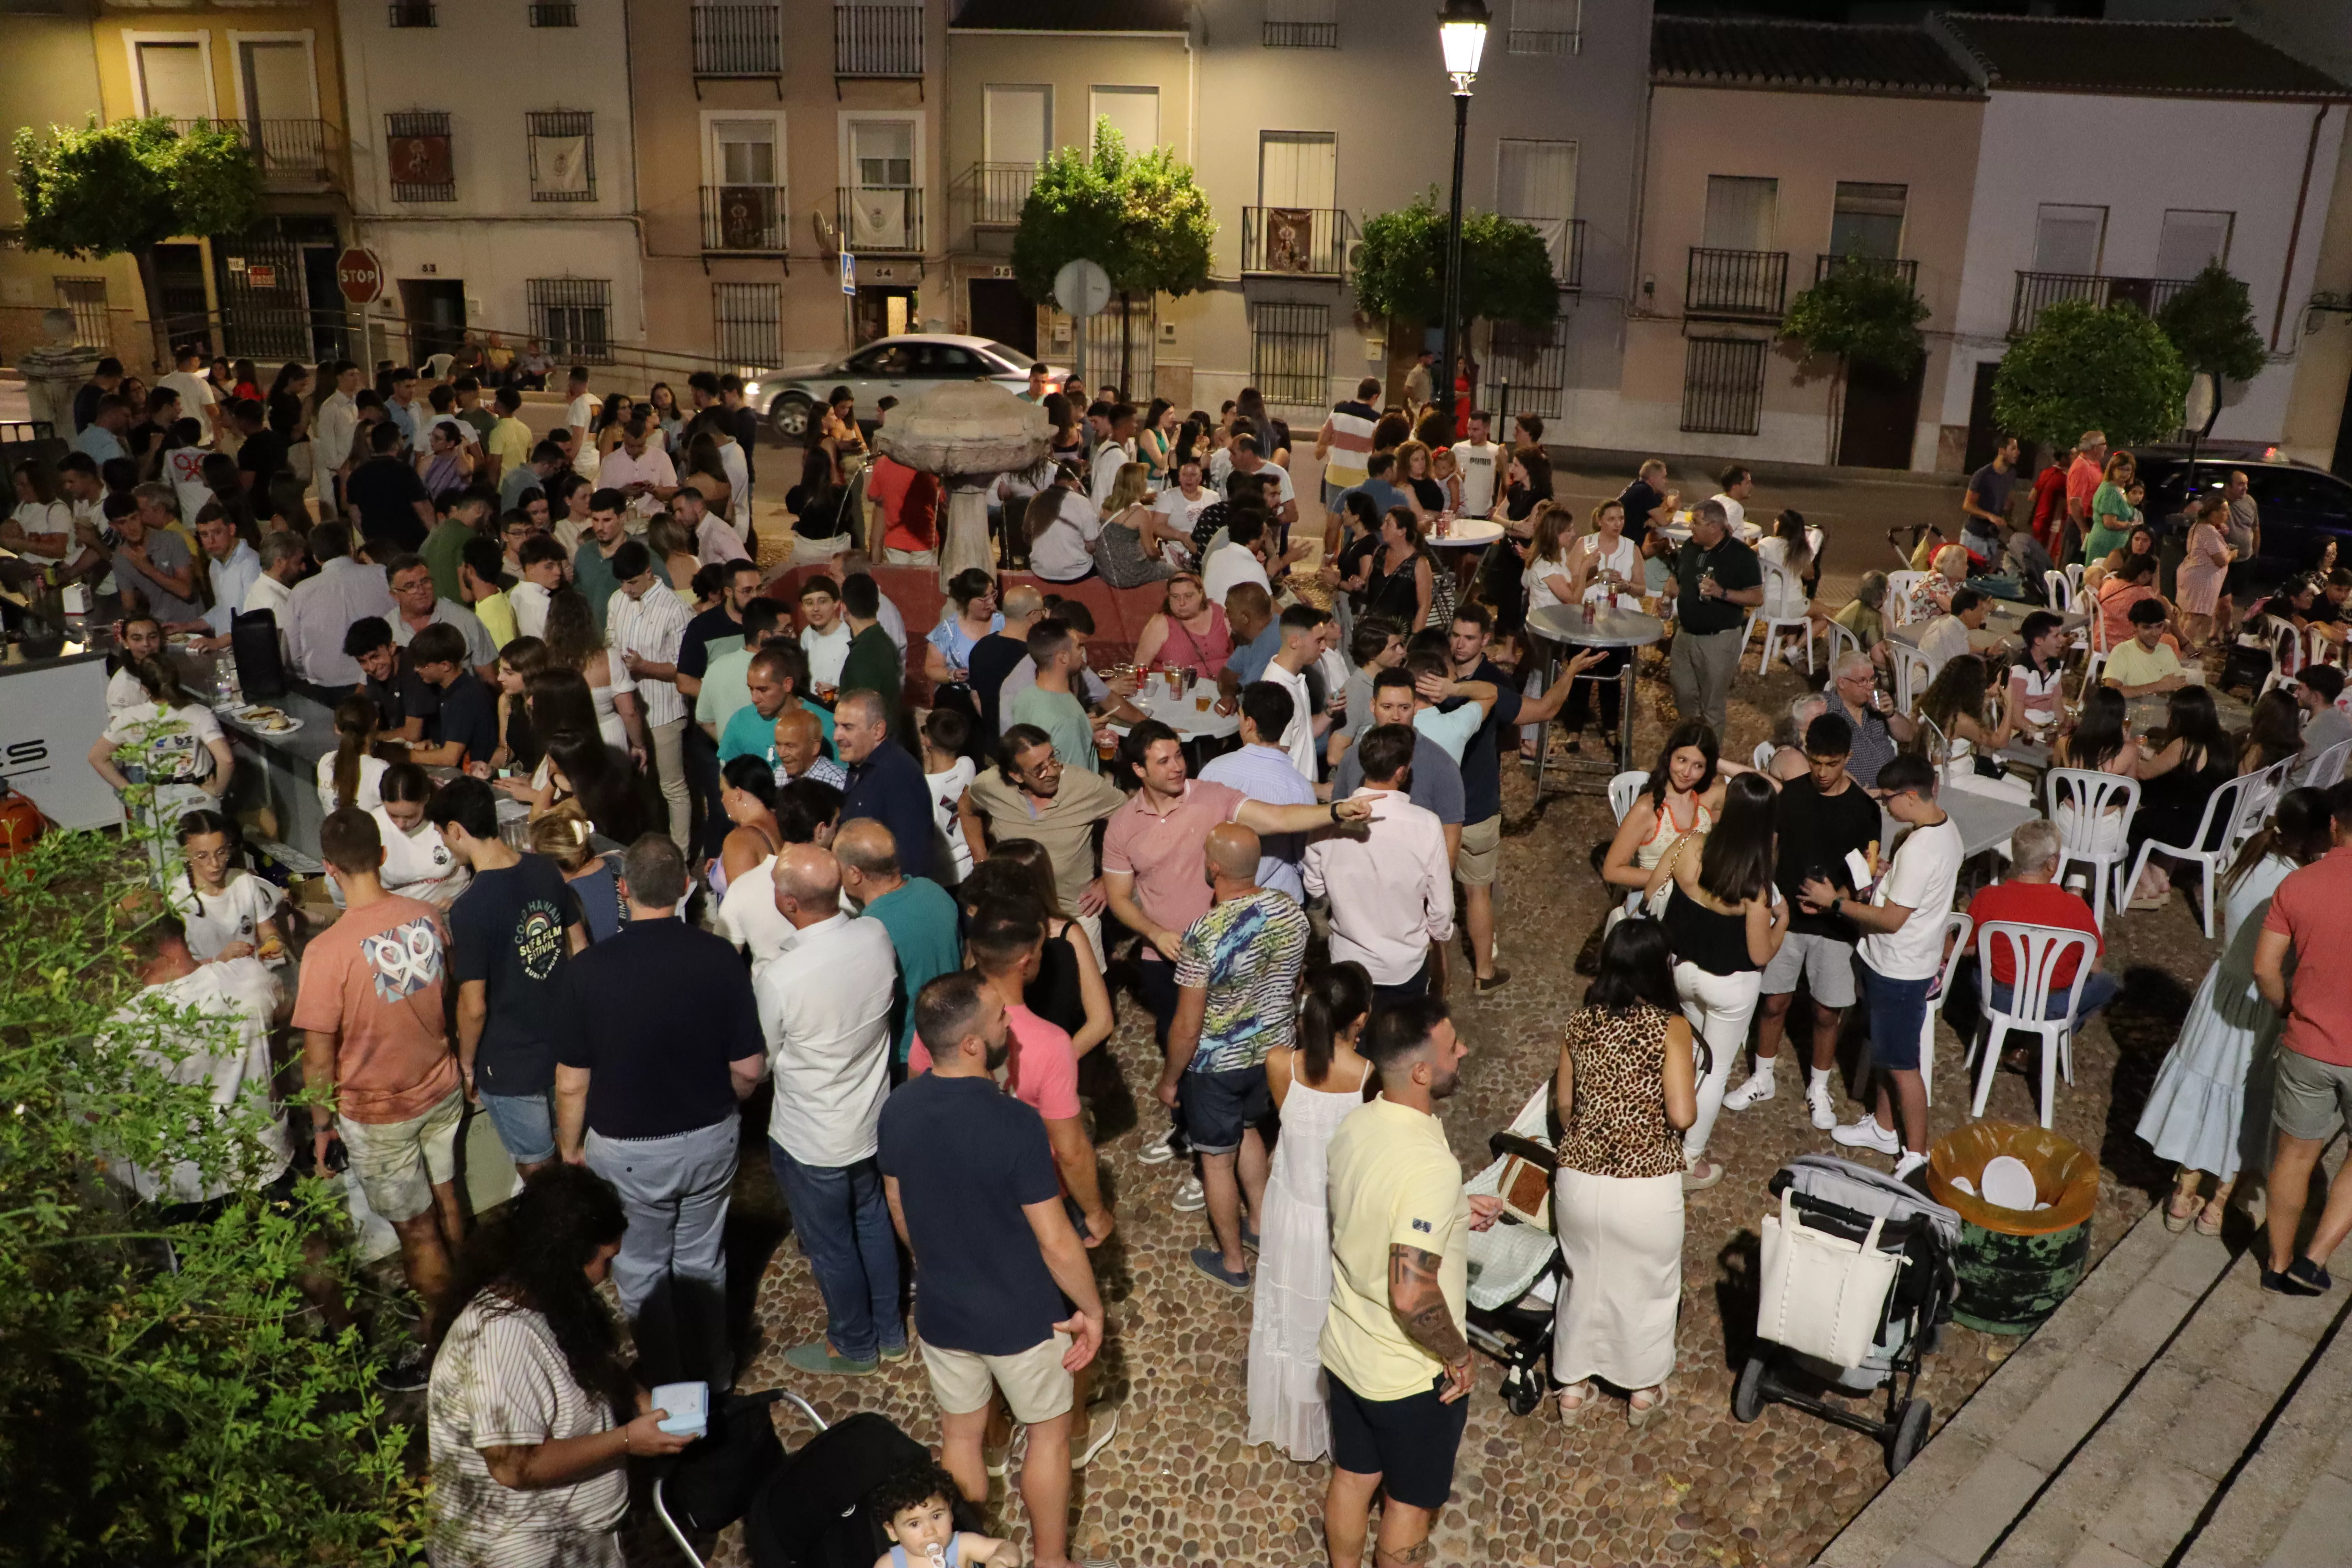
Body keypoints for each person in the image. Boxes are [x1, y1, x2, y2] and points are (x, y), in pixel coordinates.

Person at [878, 973, 1109, 1568]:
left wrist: (934, 1262)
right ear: (974, 1044)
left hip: (942, 1307)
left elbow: (899, 1205)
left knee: (962, 1436)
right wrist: (1092, 1309)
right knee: (1049, 1436)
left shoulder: (898, 1109)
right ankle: (1051, 1560)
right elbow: (1056, 1239)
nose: (1011, 1026)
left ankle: (948, 1557)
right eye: (1001, 1019)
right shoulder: (1015, 1124)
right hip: (1023, 1314)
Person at [1104, 722, 1374, 1183]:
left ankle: (1213, 1151)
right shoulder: (1123, 826)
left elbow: (1279, 818)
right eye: (1163, 760)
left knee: (1218, 1050)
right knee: (1179, 1041)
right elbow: (1118, 898)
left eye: (1178, 755)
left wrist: (1337, 811)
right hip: (1163, 960)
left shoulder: (1213, 796)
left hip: (1223, 953)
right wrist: (1155, 932)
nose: (1177, 766)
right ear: (1138, 770)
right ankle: (1188, 1129)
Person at [552, 833, 762, 1388]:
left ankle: (669, 1386)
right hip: (710, 1136)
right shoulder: (719, 956)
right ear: (686, 887)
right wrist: (727, 1107)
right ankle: (714, 1371)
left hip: (626, 1151)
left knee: (642, 1271)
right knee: (702, 1261)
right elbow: (748, 1068)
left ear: (624, 891)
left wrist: (571, 1149)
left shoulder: (589, 971)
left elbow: (572, 1084)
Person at [425, 1163, 697, 1566]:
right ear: (567, 1256)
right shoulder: (500, 1341)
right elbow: (514, 1467)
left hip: (572, 1534)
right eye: (605, 1259)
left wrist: (637, 1398)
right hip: (524, 1549)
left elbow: (584, 1357)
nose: (608, 1275)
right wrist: (627, 1440)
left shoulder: (546, 1293)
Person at [1319, 997, 1503, 1568]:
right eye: (1453, 1045)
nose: (1465, 1050)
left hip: (1347, 1348)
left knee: (1354, 1478)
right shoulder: (1429, 1165)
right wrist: (1458, 1354)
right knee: (1408, 1504)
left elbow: (1377, 1202)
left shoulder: (1356, 1122)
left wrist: (1450, 1212)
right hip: (1407, 1375)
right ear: (1421, 1072)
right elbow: (1410, 1291)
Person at [296, 808, 465, 1314]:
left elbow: (318, 1057)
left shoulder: (327, 952)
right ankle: (473, 1298)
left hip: (379, 1114)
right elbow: (448, 988)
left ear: (330, 868)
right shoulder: (427, 917)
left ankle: (444, 1327)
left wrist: (321, 1125)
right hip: (440, 1085)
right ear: (383, 856)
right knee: (450, 1200)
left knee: (416, 1230)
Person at [756, 845, 904, 1372]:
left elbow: (763, 1059)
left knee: (831, 1245)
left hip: (812, 1136)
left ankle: (855, 1343)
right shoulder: (874, 934)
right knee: (872, 1221)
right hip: (871, 1117)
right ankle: (890, 1331)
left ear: (790, 903)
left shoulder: (779, 976)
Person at [1153, 822, 1311, 1292]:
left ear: (1215, 867)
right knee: (1248, 1129)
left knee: (1216, 1160)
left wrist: (1169, 1079)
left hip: (1217, 1066)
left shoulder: (1203, 934)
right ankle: (1261, 1224)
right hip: (1275, 1054)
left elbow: (1186, 1024)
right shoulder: (1291, 911)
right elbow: (1295, 981)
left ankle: (1234, 1262)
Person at [1552, 920, 1699, 1426]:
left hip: (1579, 1177)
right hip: (1645, 1187)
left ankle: (1571, 1387)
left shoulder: (1580, 1022)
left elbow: (1565, 1105)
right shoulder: (1669, 1027)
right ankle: (1641, 1391)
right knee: (1650, 1287)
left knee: (1584, 1278)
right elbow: (1681, 1115)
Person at [1807, 754, 1961, 1181]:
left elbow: (1892, 919)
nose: (1886, 807)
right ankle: (1883, 1125)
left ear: (1911, 796)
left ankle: (1916, 1154)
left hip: (1899, 969)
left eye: (1889, 799)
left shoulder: (1921, 850)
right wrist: (1889, 875)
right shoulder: (1944, 830)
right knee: (1883, 1049)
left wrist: (1834, 902)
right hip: (1901, 962)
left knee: (1902, 1065)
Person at [1724, 715, 1880, 1131]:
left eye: (1832, 764)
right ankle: (1762, 1077)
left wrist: (1834, 902)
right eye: (1816, 762)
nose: (1823, 773)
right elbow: (1770, 849)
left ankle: (1819, 1086)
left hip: (1834, 926)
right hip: (1788, 919)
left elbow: (1864, 877)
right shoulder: (1789, 796)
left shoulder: (1865, 811)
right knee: (1774, 1001)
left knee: (1828, 1012)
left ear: (1847, 758)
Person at [1245, 963, 1373, 1461]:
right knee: (1332, 1316)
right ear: (1360, 1020)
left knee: (1289, 1311)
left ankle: (1293, 1417)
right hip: (1338, 1218)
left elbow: (1288, 1121)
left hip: (1290, 1210)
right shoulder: (1368, 1077)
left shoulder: (1282, 1064)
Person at [432, 778, 587, 1176]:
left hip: (509, 1063)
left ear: (456, 830)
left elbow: (474, 1006)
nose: (447, 848)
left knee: (539, 1174)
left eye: (443, 837)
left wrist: (466, 1063)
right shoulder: (545, 870)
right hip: (565, 1042)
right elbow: (580, 950)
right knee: (577, 1159)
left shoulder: (470, 908)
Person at [1645, 770, 1785, 1189]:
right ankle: (1689, 1160)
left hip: (1683, 970)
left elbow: (1653, 888)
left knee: (1687, 1055)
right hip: (1730, 985)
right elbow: (1761, 952)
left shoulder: (1690, 845)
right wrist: (1785, 923)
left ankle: (1664, 1131)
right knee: (1716, 1066)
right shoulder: (1756, 884)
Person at [2253, 786, 2352, 1295]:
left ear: (2333, 825)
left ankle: (2277, 1262)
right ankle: (2313, 1259)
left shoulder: (2299, 885)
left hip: (2306, 1043)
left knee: (2293, 1156)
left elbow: (2265, 967)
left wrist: (2287, 1007)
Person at [1304, 724, 1452, 1005]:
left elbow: (1314, 886)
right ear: (1401, 772)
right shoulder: (1426, 825)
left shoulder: (1329, 819)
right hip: (1405, 964)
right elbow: (1442, 908)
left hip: (1347, 960)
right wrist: (1439, 942)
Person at [958, 725, 1124, 932]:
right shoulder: (990, 786)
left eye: (1053, 758)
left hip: (1074, 915)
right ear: (1016, 776)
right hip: (1014, 912)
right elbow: (966, 809)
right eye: (1039, 769)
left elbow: (1134, 822)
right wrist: (981, 861)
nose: (1053, 772)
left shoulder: (1085, 786)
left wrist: (1109, 878)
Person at [836, 818, 963, 1069]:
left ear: (854, 874)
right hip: (953, 1041)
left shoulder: (871, 930)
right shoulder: (934, 891)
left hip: (907, 1058)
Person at [606, 541, 693, 848]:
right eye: (622, 583)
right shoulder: (617, 600)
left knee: (672, 787)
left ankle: (681, 856)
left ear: (648, 572)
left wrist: (644, 666)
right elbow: (611, 640)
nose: (627, 589)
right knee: (643, 786)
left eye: (632, 582)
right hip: (628, 709)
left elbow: (682, 669)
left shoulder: (675, 609)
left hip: (664, 710)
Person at [87, 655, 234, 828]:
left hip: (157, 800)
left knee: (164, 855)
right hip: (198, 796)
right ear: (177, 681)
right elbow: (226, 760)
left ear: (143, 688)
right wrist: (218, 791)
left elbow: (97, 757)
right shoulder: (199, 714)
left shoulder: (129, 718)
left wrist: (131, 791)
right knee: (204, 854)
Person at [1671, 498, 1764, 734]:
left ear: (1714, 526)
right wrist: (1670, 588)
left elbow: (1756, 598)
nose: (1691, 527)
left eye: (1696, 522)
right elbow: (1677, 575)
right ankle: (1688, 746)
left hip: (1718, 641)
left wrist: (1721, 593)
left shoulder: (1741, 556)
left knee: (1711, 705)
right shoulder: (1691, 547)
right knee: (1683, 696)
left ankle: (1709, 761)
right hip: (1684, 635)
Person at [836, 689, 937, 882]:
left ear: (878, 731)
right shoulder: (860, 766)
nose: (837, 736)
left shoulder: (899, 773)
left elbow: (913, 854)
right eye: (837, 726)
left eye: (848, 727)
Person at [167, 809, 289, 966]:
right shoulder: (177, 898)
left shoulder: (244, 881)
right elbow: (176, 967)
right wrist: (220, 960)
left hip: (252, 978)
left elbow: (266, 928)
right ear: (185, 855)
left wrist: (273, 941)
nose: (215, 863)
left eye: (221, 853)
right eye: (203, 856)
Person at [868, 1461, 1022, 1568]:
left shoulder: (962, 1545)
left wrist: (999, 1560)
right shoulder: (890, 1565)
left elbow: (1008, 1547)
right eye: (914, 1524)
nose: (930, 1531)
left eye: (936, 1516)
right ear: (892, 1531)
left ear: (950, 1512)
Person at [2102, 598, 2188, 697]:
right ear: (2134, 627)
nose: (2155, 634)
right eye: (2148, 628)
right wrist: (2157, 687)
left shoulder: (2167, 651)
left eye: (2159, 627)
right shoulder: (2122, 652)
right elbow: (2111, 694)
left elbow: (2183, 688)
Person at [2294, 666, 2352, 777]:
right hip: (2325, 787)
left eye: (2300, 689)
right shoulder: (2342, 719)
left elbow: (2286, 766)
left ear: (2316, 697)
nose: (2296, 692)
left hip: (2295, 790)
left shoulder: (2316, 730)